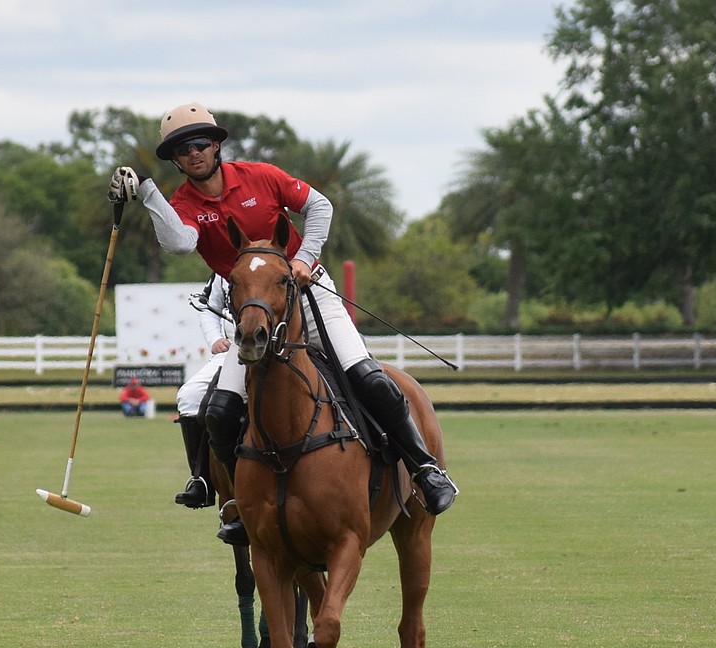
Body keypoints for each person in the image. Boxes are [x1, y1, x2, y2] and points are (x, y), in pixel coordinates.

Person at [108, 102, 457, 544]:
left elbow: (320, 206)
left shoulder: (261, 176)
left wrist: (304, 258)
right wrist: (147, 193)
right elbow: (179, 244)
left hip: (308, 295)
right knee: (220, 408)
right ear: (176, 160)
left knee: (368, 376)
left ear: (217, 145)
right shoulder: (184, 203)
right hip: (253, 312)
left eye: (200, 143)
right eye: (181, 149)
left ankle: (426, 470)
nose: (193, 153)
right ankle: (236, 504)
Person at [172, 273, 236, 509]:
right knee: (189, 396)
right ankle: (202, 480)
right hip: (234, 352)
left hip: (282, 350)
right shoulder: (222, 269)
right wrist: (216, 338)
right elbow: (208, 307)